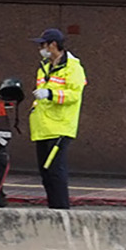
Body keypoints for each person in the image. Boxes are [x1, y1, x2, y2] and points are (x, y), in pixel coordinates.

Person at [30, 28, 85, 210]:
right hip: (42, 127)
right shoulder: (44, 67)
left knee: (55, 172)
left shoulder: (73, 67)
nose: (40, 49)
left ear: (53, 45)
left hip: (60, 127)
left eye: (43, 45)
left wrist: (50, 94)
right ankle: (53, 208)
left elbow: (74, 95)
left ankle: (61, 210)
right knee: (45, 172)